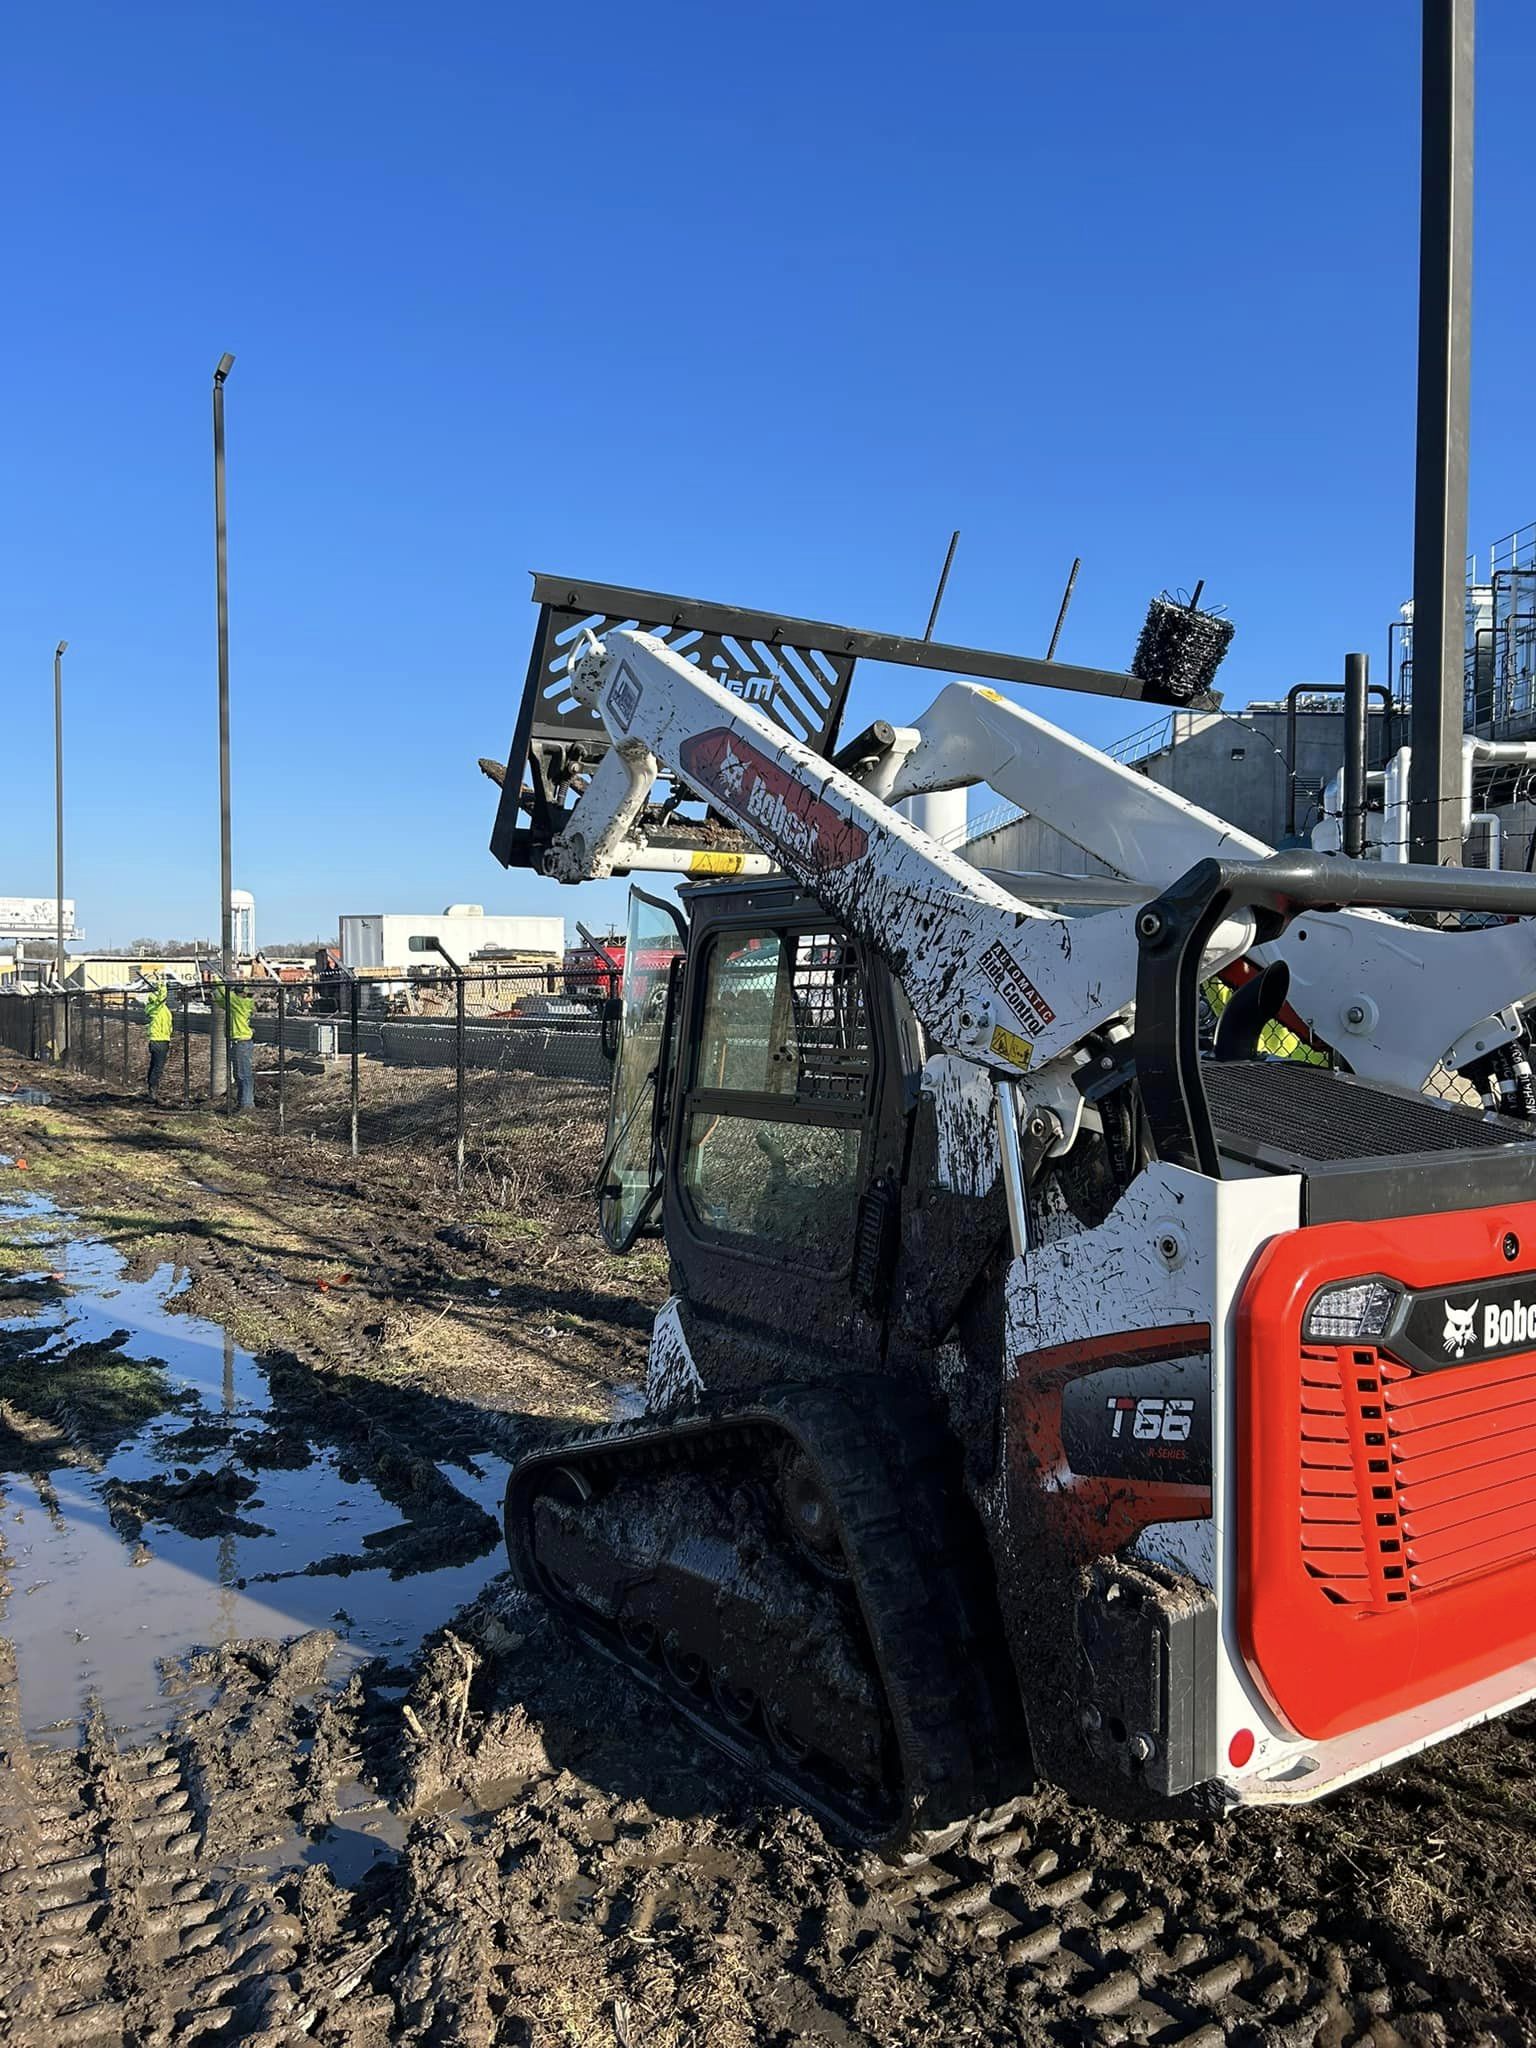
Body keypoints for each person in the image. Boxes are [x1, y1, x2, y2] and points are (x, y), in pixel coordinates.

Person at [210, 972, 256, 1111]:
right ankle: (243, 1102)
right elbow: (221, 1000)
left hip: (242, 1042)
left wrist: (216, 980)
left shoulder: (240, 1003)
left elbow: (225, 994)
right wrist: (214, 989)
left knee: (244, 1074)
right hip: (238, 1042)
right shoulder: (236, 1005)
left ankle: (247, 1104)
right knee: (239, 1074)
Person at [141, 973, 174, 1102]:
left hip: (161, 1039)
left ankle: (152, 1088)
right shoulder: (155, 1007)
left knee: (155, 1065)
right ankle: (153, 1092)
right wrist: (161, 983)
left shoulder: (160, 1008)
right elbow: (162, 996)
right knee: (158, 1067)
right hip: (159, 1040)